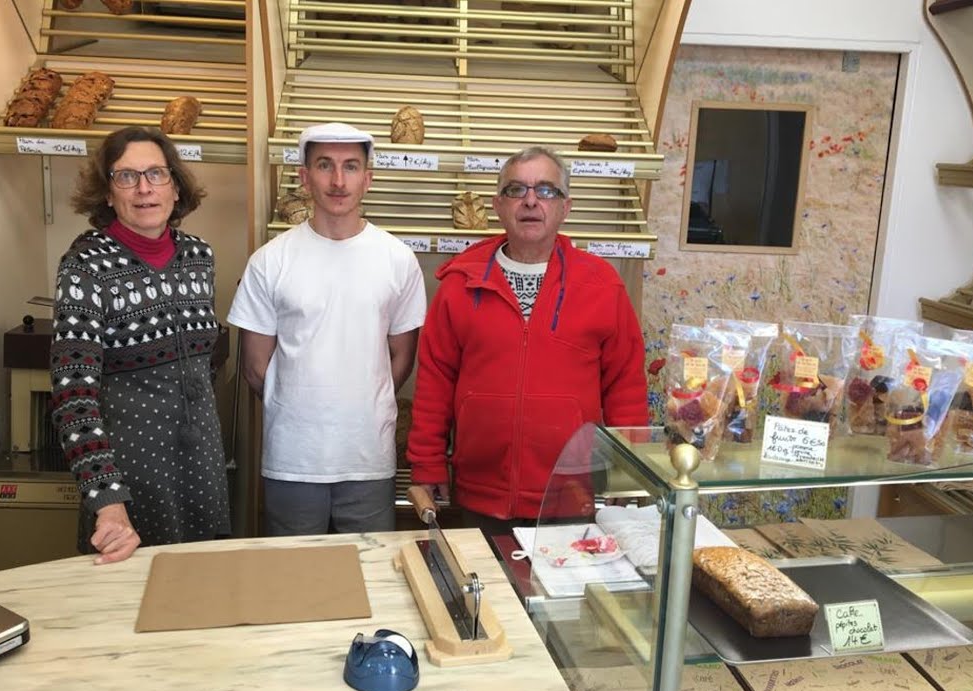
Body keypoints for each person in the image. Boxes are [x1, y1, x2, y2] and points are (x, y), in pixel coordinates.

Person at [407, 146, 648, 540]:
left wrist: (629, 472)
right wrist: (428, 465)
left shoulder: (602, 286)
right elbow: (434, 383)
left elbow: (626, 387)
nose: (531, 201)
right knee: (488, 598)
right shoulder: (459, 285)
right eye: (517, 189)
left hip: (569, 493)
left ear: (565, 207)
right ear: (499, 205)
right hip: (480, 493)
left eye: (546, 190)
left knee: (562, 597)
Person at [228, 122, 427, 536]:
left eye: (351, 166)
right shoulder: (270, 261)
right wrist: (300, 408)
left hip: (368, 457)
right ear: (304, 177)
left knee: (372, 577)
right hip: (292, 461)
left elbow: (402, 358)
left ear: (367, 178)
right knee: (294, 584)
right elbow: (254, 367)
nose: (338, 180)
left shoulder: (397, 260)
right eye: (325, 165)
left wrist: (358, 405)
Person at [50, 126, 231, 565]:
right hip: (131, 479)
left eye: (156, 174)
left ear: (175, 186)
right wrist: (108, 503)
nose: (144, 188)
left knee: (203, 598)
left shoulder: (198, 256)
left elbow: (200, 370)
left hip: (201, 469)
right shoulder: (85, 267)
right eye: (126, 176)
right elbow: (74, 399)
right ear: (108, 193)